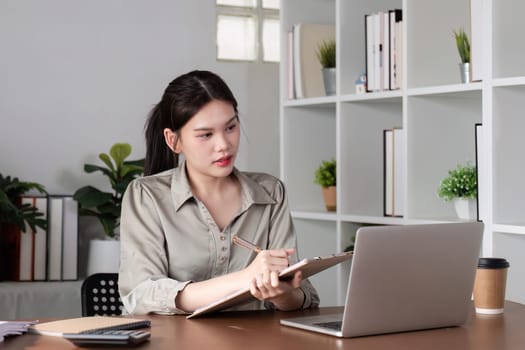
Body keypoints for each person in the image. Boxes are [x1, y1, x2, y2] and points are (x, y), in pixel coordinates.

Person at [118, 70, 319, 315]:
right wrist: (245, 279)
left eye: (230, 127)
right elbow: (142, 295)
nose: (224, 144)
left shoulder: (270, 192)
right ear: (174, 141)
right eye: (206, 135)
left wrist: (284, 293)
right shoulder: (146, 196)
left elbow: (302, 295)